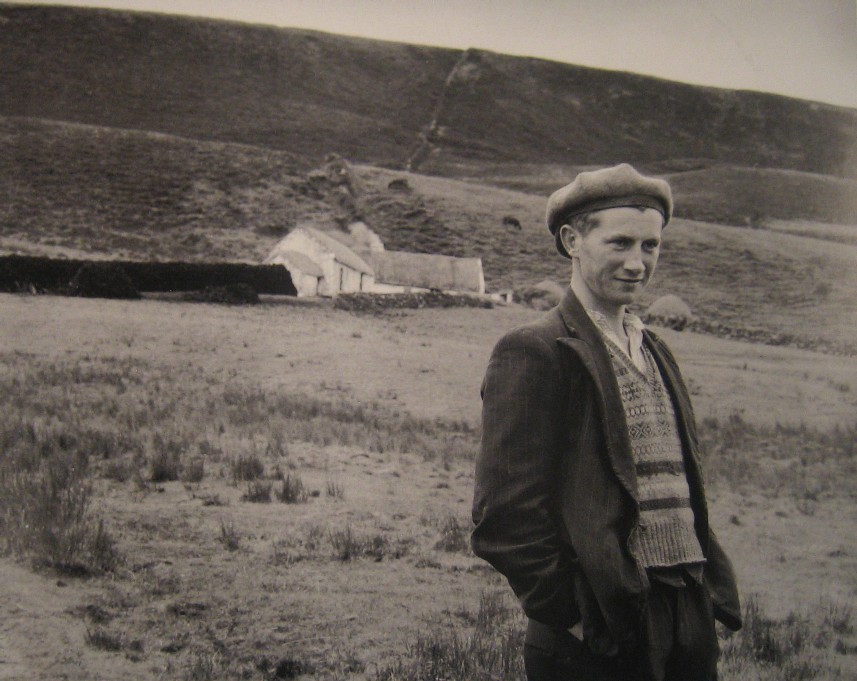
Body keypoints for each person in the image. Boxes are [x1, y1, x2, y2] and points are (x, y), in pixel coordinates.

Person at [471, 164, 741, 681]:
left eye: (651, 246)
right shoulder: (534, 350)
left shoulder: (655, 349)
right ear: (572, 240)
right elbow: (502, 517)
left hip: (686, 615)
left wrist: (701, 601)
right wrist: (573, 618)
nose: (638, 263)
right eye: (619, 243)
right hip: (597, 630)